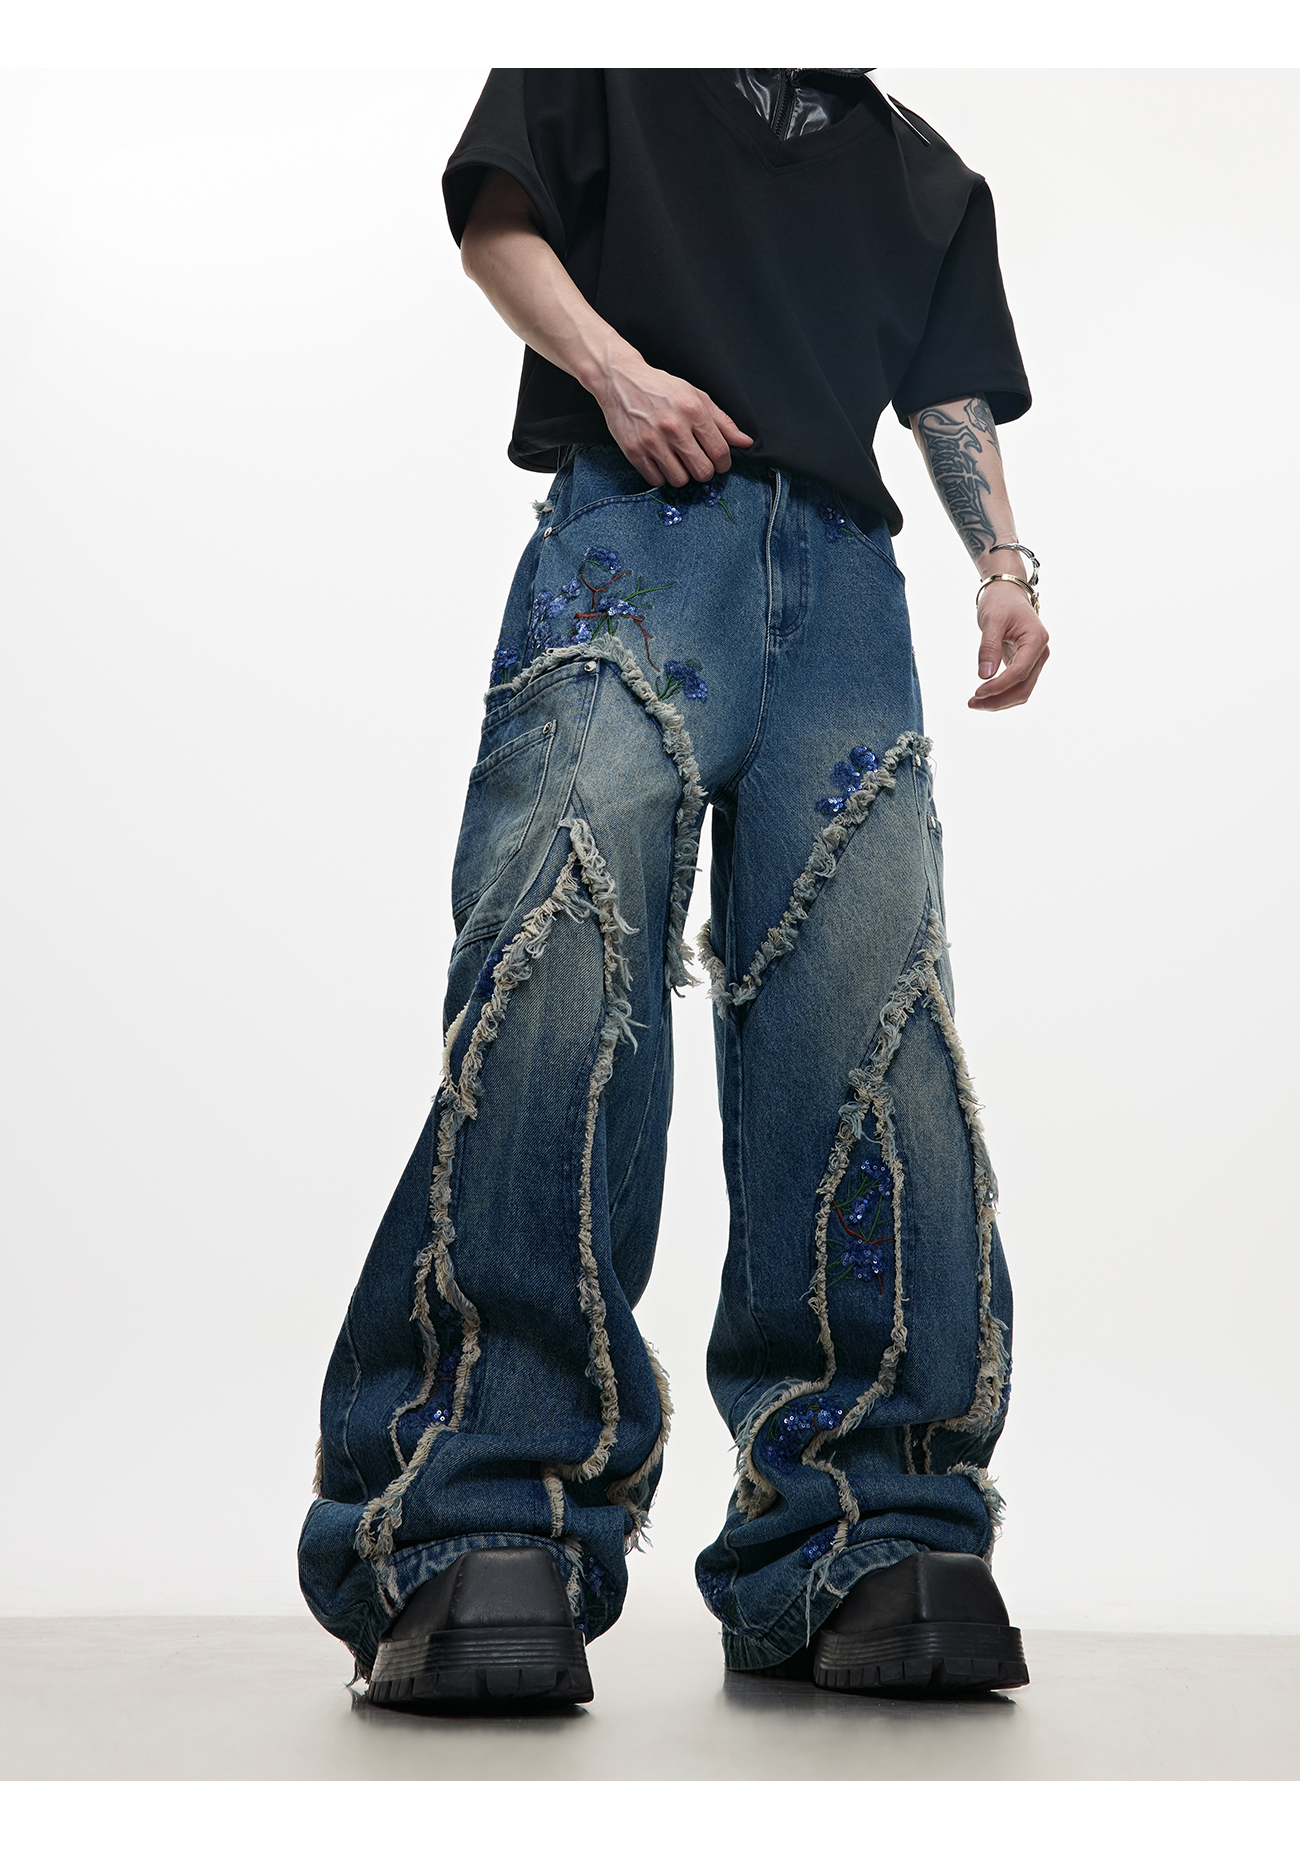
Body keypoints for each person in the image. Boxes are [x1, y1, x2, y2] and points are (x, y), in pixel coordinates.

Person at [298, 67, 1049, 1709]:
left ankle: (869, 1526)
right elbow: (496, 220)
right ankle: (476, 1517)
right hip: (640, 527)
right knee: (558, 971)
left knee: (871, 1024)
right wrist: (616, 371)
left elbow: (944, 388)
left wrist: (1004, 564)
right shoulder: (617, 62)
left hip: (846, 585)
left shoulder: (921, 170)